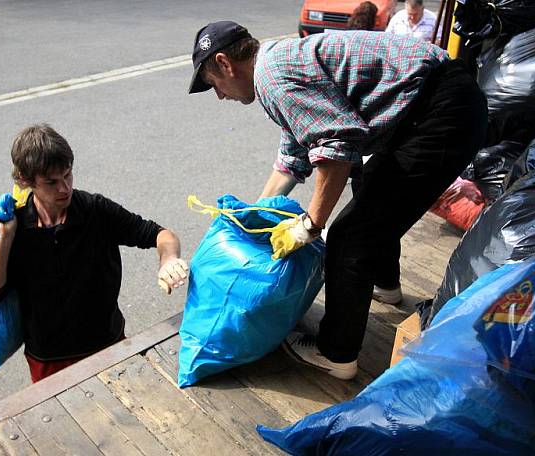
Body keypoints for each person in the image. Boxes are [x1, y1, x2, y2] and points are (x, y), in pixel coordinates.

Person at [187, 22, 486, 379]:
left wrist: (311, 225)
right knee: (372, 192)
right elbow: (293, 154)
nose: (219, 95)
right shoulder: (278, 61)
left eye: (213, 83)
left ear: (225, 63)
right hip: (439, 102)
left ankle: (337, 355)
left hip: (441, 111)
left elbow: (335, 149)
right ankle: (386, 286)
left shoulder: (272, 78)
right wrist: (252, 215)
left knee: (348, 237)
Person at [0, 124, 189, 383]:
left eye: (68, 175)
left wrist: (168, 260)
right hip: (49, 361)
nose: (64, 188)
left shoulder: (95, 211)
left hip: (108, 345)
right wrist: (4, 239)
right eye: (51, 182)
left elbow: (161, 235)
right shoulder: (16, 226)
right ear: (25, 180)